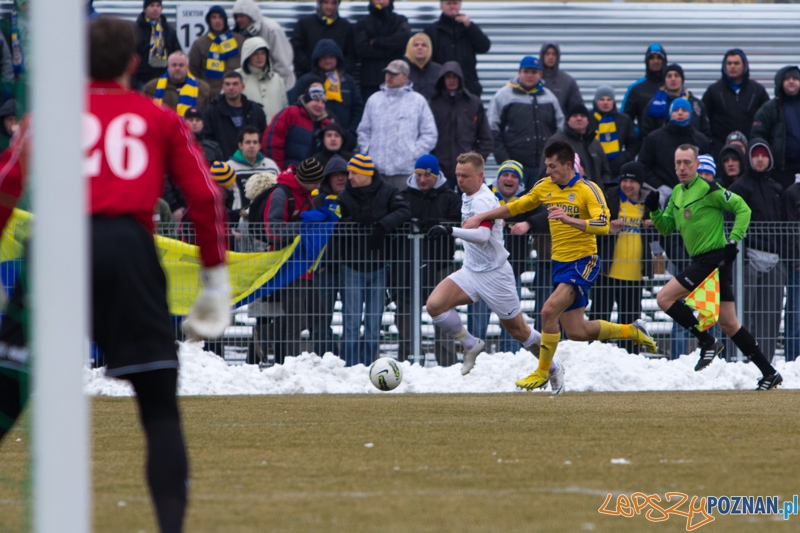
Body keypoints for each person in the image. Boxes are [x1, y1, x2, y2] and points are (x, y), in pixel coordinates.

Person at [0, 17, 230, 533]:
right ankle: (170, 526)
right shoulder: (159, 116)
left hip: (56, 244)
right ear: (133, 63)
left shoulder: (48, 116)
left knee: (7, 391)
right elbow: (206, 195)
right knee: (158, 407)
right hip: (127, 247)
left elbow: (5, 185)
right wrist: (215, 278)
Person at [462, 142, 658, 391]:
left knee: (547, 312)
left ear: (567, 165)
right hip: (560, 263)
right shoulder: (545, 186)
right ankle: (632, 331)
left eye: (552, 166)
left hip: (583, 261)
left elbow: (603, 225)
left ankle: (545, 371)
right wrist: (482, 216)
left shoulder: (588, 189)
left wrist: (568, 219)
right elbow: (517, 206)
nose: (547, 170)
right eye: (546, 165)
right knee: (577, 331)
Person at [644, 144, 782, 390]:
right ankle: (770, 373)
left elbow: (743, 208)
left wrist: (733, 240)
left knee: (664, 298)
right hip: (706, 262)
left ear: (697, 165)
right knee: (729, 323)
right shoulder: (676, 193)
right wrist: (654, 210)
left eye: (687, 162)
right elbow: (666, 228)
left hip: (713, 260)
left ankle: (707, 341)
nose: (682, 167)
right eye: (678, 163)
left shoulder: (709, 189)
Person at [425, 152, 548, 383]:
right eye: (458, 175)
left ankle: (553, 367)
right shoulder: (467, 195)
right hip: (471, 271)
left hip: (495, 275)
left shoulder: (483, 200)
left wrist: (449, 230)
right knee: (435, 305)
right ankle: (470, 344)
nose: (460, 180)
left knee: (519, 331)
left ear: (480, 176)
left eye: (465, 176)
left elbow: (482, 236)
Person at [333, 154, 411, 366]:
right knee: (351, 321)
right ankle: (350, 365)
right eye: (349, 172)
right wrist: (353, 221)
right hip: (351, 266)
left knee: (373, 322)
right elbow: (334, 221)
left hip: (379, 266)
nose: (349, 177)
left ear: (366, 174)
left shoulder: (388, 191)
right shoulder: (344, 195)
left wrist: (382, 225)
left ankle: (369, 365)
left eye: (354, 173)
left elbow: (404, 210)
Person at [249, 158, 325, 363]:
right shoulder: (281, 194)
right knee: (295, 318)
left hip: (304, 265)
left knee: (317, 313)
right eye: (316, 182)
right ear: (306, 180)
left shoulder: (305, 194)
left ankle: (265, 334)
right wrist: (304, 227)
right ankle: (290, 364)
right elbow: (272, 230)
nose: (319, 185)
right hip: (286, 265)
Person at [396, 154, 461, 365]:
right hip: (409, 265)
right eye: (419, 175)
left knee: (444, 315)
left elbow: (458, 223)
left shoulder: (450, 197)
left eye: (427, 175)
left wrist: (437, 224)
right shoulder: (403, 196)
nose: (423, 180)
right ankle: (409, 361)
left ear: (436, 175)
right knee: (405, 315)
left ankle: (447, 363)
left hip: (440, 264)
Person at [727, 139, 787, 362]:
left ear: (769, 159)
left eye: (764, 155)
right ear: (749, 159)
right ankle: (739, 362)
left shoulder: (777, 189)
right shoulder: (738, 189)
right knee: (743, 316)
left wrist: (782, 258)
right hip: (747, 260)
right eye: (755, 155)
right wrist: (740, 257)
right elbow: (730, 223)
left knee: (770, 318)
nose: (760, 159)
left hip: (774, 261)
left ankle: (765, 362)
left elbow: (783, 226)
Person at [468, 160, 537, 355]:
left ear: (519, 182)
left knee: (512, 325)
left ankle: (510, 360)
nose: (509, 179)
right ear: (497, 178)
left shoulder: (527, 199)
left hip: (510, 272)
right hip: (482, 272)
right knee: (478, 323)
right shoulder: (484, 195)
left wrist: (528, 223)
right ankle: (476, 360)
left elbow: (544, 214)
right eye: (505, 174)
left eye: (514, 176)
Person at [589, 161, 655, 353]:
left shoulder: (649, 203)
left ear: (640, 183)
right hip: (606, 273)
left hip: (634, 275)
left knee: (631, 323)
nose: (627, 185)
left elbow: (658, 236)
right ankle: (594, 356)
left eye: (632, 181)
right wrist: (609, 228)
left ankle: (629, 360)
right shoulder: (608, 199)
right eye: (624, 180)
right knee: (600, 320)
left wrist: (653, 225)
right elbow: (592, 228)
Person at [356, 59, 437, 191]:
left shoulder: (417, 101)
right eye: (388, 73)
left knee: (404, 203)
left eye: (394, 74)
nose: (389, 76)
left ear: (405, 78)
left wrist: (414, 154)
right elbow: (363, 131)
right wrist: (367, 152)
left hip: (406, 172)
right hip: (377, 171)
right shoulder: (374, 100)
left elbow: (430, 133)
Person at [488, 55, 564, 190]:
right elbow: (492, 129)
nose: (530, 75)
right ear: (519, 72)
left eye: (534, 72)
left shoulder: (550, 98)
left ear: (540, 74)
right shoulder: (503, 96)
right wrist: (504, 159)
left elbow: (560, 128)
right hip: (514, 169)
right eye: (526, 71)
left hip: (544, 168)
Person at [288, 39, 363, 151]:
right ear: (317, 59)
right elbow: (295, 107)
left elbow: (358, 109)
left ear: (337, 58)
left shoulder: (348, 81)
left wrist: (350, 133)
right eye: (324, 57)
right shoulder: (305, 81)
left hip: (344, 141)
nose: (328, 60)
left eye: (331, 57)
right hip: (313, 143)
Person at [428, 61, 493, 188]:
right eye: (448, 76)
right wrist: (434, 163)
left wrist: (475, 162)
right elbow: (427, 137)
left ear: (460, 78)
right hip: (441, 171)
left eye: (455, 76)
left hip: (469, 171)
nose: (451, 80)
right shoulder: (433, 104)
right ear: (442, 79)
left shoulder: (473, 103)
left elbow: (486, 138)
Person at [310, 155, 349, 357]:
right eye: (336, 175)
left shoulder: (354, 199)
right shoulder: (316, 201)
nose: (341, 178)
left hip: (350, 268)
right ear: (327, 179)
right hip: (323, 270)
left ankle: (349, 362)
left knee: (352, 320)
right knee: (320, 319)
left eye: (344, 174)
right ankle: (324, 359)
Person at [702, 49, 769, 160]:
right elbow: (704, 119)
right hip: (720, 151)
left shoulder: (757, 91)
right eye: (729, 63)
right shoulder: (713, 91)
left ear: (744, 66)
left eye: (736, 63)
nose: (732, 66)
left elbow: (766, 119)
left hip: (750, 151)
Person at [638, 98, 709, 191]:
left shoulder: (701, 140)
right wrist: (659, 186)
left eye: (684, 110)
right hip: (661, 192)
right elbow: (643, 165)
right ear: (670, 113)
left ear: (690, 114)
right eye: (676, 110)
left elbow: (707, 167)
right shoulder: (654, 138)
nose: (680, 113)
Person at [424, 0, 491, 97]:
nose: (452, 6)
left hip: (468, 87)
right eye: (448, 3)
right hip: (440, 87)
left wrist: (470, 27)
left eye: (455, 3)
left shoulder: (469, 27)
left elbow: (484, 47)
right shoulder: (432, 30)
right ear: (441, 7)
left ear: (460, 6)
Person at [264, 79, 332, 171]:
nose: (320, 105)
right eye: (316, 100)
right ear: (307, 101)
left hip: (316, 176)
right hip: (289, 174)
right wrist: (279, 172)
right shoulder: (290, 113)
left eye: (323, 102)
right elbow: (272, 144)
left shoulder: (327, 123)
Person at [751, 65, 800, 189]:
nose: (791, 81)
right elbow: (758, 137)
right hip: (780, 172)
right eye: (787, 79)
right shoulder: (769, 109)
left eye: (795, 78)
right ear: (780, 82)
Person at [201, 71, 268, 160]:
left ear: (242, 87)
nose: (231, 87)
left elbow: (264, 138)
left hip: (251, 163)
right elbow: (206, 140)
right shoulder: (212, 111)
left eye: (235, 84)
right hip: (223, 164)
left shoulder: (255, 110)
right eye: (227, 84)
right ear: (223, 87)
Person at [540, 103, 610, 187]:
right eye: (575, 116)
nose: (579, 118)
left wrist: (605, 189)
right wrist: (571, 175)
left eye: (582, 116)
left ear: (588, 120)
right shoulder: (556, 142)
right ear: (568, 120)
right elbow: (545, 172)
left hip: (594, 192)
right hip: (567, 192)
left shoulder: (595, 142)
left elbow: (605, 171)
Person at [232, 0, 295, 89]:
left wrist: (276, 86)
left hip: (279, 86)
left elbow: (283, 63)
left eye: (242, 16)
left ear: (251, 15)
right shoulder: (240, 32)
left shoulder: (272, 30)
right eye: (236, 16)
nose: (238, 20)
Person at [354, 0, 411, 100]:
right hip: (370, 81)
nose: (381, 1)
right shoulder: (362, 22)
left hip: (396, 79)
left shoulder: (400, 20)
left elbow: (402, 41)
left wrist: (377, 41)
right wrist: (391, 51)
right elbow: (361, 49)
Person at [187, 5, 246, 96]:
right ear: (209, 21)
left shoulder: (239, 40)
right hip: (209, 95)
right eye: (214, 17)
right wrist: (202, 89)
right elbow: (192, 71)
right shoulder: (199, 43)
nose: (217, 20)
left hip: (235, 94)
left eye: (220, 17)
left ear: (225, 20)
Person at [640, 64, 710, 138]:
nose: (673, 79)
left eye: (676, 76)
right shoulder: (653, 105)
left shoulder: (696, 104)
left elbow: (705, 132)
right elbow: (646, 133)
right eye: (669, 76)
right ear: (664, 80)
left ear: (682, 80)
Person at [291, 0, 355, 77]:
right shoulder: (304, 24)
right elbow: (296, 50)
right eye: (326, 2)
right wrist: (311, 69)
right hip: (309, 76)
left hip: (337, 78)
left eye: (333, 3)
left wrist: (339, 72)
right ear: (319, 3)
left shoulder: (345, 26)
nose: (329, 7)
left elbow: (351, 54)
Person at [592, 85, 640, 183]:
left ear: (613, 101)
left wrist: (623, 158)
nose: (605, 102)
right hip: (593, 169)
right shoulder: (588, 119)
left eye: (609, 99)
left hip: (617, 171)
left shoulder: (624, 120)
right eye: (602, 99)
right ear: (596, 101)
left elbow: (633, 144)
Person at [235, 36, 288, 125]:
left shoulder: (277, 79)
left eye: (262, 53)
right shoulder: (237, 77)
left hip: (275, 130)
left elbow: (284, 108)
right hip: (248, 132)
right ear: (247, 55)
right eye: (255, 54)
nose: (260, 57)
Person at [227, 125, 280, 211]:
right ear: (240, 145)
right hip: (239, 215)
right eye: (248, 142)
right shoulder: (229, 167)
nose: (251, 146)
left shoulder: (270, 166)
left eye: (255, 142)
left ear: (259, 145)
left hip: (266, 214)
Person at [143, 51, 211, 115]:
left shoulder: (203, 89)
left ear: (187, 67)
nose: (177, 68)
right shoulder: (151, 88)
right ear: (168, 67)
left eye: (181, 65)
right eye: (174, 65)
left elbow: (207, 116)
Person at [620, 43, 667, 136]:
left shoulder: (673, 86)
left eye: (659, 58)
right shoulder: (636, 89)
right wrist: (638, 133)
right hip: (644, 142)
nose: (655, 61)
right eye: (652, 58)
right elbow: (623, 121)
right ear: (647, 61)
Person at [134, 0, 182, 88]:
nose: (155, 9)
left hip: (164, 79)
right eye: (152, 6)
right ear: (145, 9)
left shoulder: (169, 30)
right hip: (142, 79)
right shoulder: (136, 29)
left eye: (158, 6)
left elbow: (177, 52)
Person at [539, 41, 583, 114]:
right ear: (542, 56)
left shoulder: (567, 81)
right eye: (547, 54)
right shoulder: (533, 79)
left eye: (554, 54)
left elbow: (577, 107)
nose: (550, 57)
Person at [785, 177, 800, 362]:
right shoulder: (792, 193)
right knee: (795, 317)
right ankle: (793, 361)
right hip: (797, 265)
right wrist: (796, 258)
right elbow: (789, 229)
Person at [403, 33, 441, 101]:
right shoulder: (402, 70)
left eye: (424, 45)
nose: (420, 48)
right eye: (416, 45)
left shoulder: (439, 70)